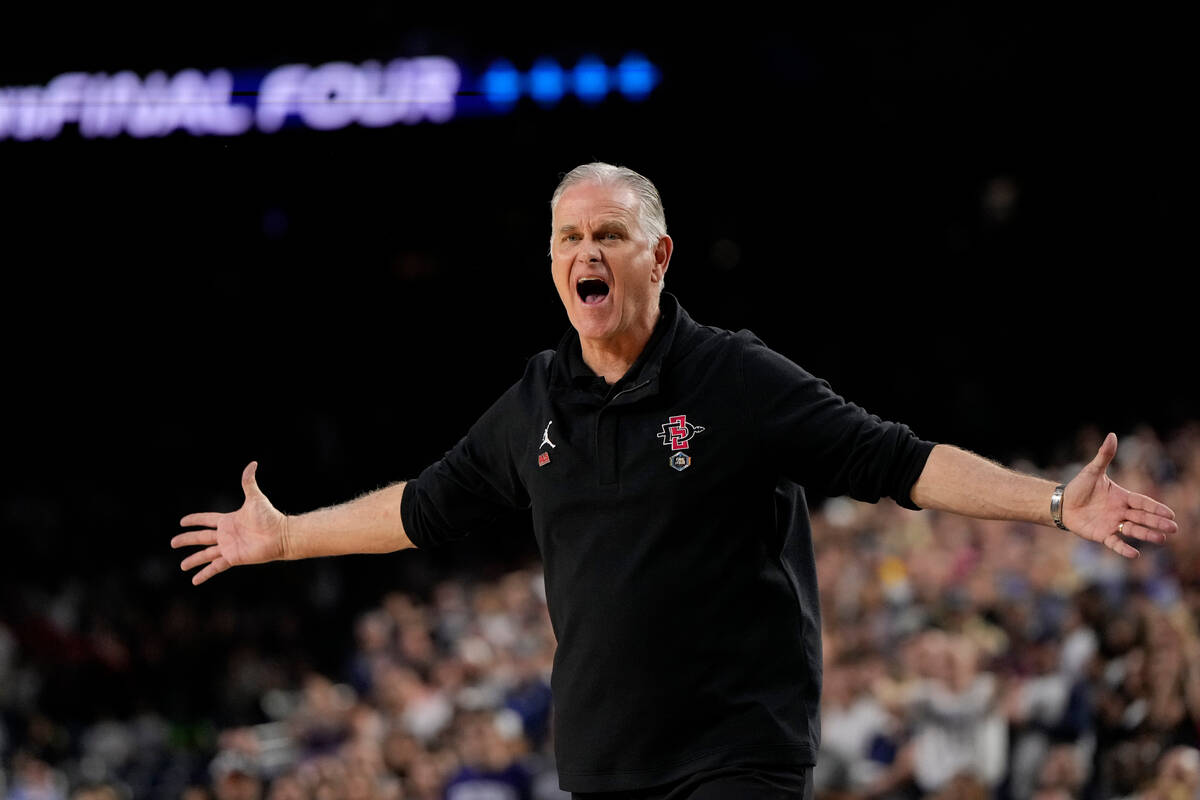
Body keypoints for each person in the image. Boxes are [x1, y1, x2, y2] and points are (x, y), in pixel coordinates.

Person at [173, 163, 1179, 799]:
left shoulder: (734, 376)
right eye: (568, 237)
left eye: (607, 232)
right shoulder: (535, 402)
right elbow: (423, 507)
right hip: (606, 759)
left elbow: (895, 459)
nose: (585, 251)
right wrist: (287, 535)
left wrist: (1052, 500)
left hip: (738, 748)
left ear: (658, 254)